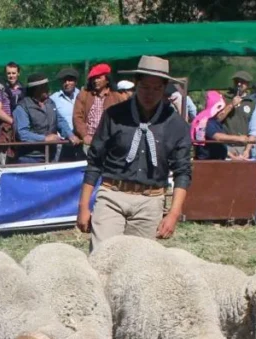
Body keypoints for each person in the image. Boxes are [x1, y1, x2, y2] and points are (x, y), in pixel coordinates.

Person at [77, 55, 191, 250]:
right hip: (112, 195)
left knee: (139, 266)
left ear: (164, 89)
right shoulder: (114, 115)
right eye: (145, 87)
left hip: (150, 200)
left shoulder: (176, 124)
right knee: (102, 257)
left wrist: (173, 213)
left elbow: (183, 171)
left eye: (157, 88)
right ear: (136, 84)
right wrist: (83, 206)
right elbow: (95, 161)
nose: (150, 93)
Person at [13, 73, 79, 164]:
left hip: (52, 156)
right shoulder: (22, 107)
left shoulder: (50, 103)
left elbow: (59, 120)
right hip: (30, 158)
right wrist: (44, 139)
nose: (48, 89)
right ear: (36, 89)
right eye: (44, 87)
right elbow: (22, 134)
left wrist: (69, 134)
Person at [74, 63, 127, 155]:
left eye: (98, 77)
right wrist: (85, 135)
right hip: (88, 142)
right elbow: (77, 117)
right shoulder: (84, 95)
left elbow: (124, 119)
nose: (95, 81)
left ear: (107, 79)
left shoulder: (117, 97)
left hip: (110, 143)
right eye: (93, 78)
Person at [212, 70, 256, 159]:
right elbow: (217, 120)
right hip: (225, 146)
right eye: (237, 81)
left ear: (248, 84)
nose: (239, 84)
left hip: (242, 147)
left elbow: (254, 131)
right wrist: (231, 105)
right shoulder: (224, 99)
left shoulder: (252, 103)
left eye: (242, 82)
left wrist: (247, 150)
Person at [0, 62, 23, 165]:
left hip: (19, 133)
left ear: (18, 73)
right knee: (1, 164)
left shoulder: (23, 89)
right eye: (9, 73)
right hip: (3, 132)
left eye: (13, 73)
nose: (11, 76)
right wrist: (14, 122)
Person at [50, 68, 80, 133]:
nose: (67, 83)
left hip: (81, 139)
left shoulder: (82, 96)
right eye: (64, 81)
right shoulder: (54, 98)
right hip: (62, 140)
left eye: (70, 80)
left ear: (76, 82)